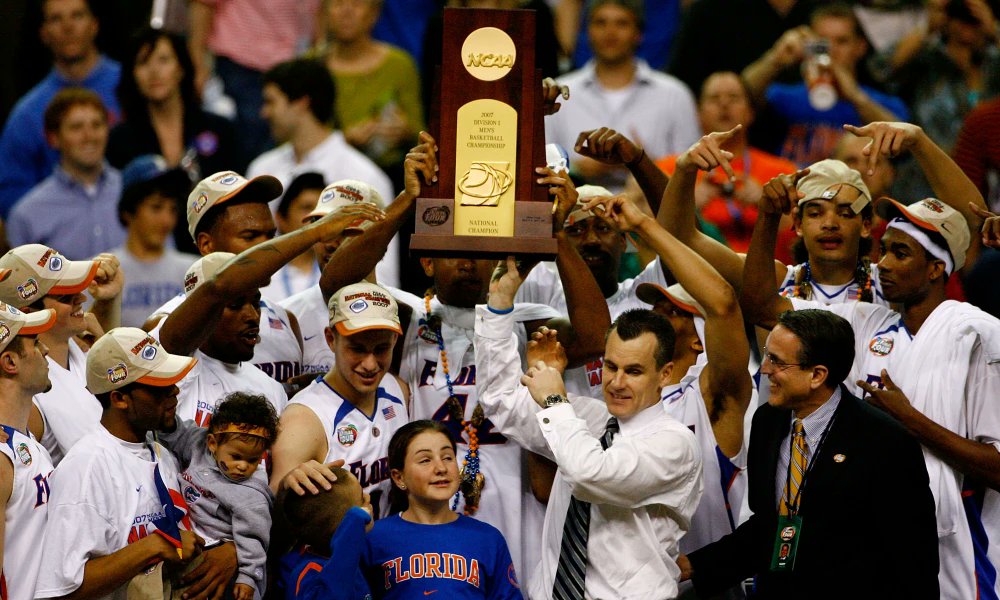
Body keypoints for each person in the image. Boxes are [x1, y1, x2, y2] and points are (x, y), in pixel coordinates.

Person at [320, 132, 611, 581]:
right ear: (428, 262)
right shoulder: (405, 315)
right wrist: (406, 202)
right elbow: (337, 285)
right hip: (425, 498)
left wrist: (557, 234)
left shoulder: (525, 318)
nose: (468, 262)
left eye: (478, 250)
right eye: (453, 250)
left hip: (516, 497)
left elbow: (595, 338)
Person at [739, 124, 998, 599]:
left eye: (899, 253)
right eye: (886, 251)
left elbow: (967, 219)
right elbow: (760, 306)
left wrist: (919, 141)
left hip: (956, 524)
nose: (883, 263)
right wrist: (765, 217)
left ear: (938, 268)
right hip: (850, 517)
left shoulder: (973, 330)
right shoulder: (866, 321)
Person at [476, 266, 702, 599]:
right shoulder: (585, 417)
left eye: (634, 371)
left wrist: (554, 400)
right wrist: (499, 303)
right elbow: (501, 402)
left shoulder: (675, 443)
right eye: (611, 366)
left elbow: (589, 475)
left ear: (665, 374)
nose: (617, 382)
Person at [681, 310, 939, 599]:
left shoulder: (884, 442)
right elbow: (770, 527)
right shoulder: (767, 421)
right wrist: (694, 565)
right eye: (767, 355)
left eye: (777, 361)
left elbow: (914, 560)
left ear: (817, 375)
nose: (764, 369)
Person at [35, 327, 203, 600]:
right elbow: (64, 591)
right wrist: (156, 545)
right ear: (120, 398)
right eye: (159, 386)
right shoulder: (87, 466)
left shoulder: (161, 453)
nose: (174, 391)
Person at [246, 58, 398, 287]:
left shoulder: (365, 176)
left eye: (271, 102)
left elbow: (384, 273)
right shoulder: (261, 169)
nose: (264, 113)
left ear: (301, 103)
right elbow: (249, 255)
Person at [144, 170, 305, 385]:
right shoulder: (164, 323)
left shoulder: (286, 320)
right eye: (250, 236)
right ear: (206, 245)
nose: (268, 247)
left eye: (270, 236)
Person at [270, 281, 410, 520]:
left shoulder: (397, 390)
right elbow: (274, 514)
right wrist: (287, 488)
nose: (370, 364)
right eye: (357, 349)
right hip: (331, 555)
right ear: (331, 339)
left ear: (395, 342)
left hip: (389, 550)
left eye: (381, 349)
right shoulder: (303, 420)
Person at [544, 0, 700, 192]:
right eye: (601, 23)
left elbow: (692, 174)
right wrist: (577, 168)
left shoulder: (675, 94)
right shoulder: (560, 91)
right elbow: (541, 165)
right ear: (586, 31)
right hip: (573, 209)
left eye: (622, 23)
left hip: (652, 213)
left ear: (639, 34)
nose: (610, 32)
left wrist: (642, 163)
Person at [356, 420, 523, 598]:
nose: (441, 468)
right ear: (399, 478)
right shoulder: (373, 537)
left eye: (447, 457)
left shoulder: (488, 539)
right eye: (425, 460)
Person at [655, 71, 799, 261]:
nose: (724, 104)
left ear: (750, 112)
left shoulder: (783, 171)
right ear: (698, 114)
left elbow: (800, 235)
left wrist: (770, 207)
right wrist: (686, 204)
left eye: (734, 97)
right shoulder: (672, 169)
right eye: (714, 98)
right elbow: (646, 235)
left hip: (767, 273)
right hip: (692, 272)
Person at [741, 3, 909, 166]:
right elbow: (738, 95)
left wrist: (855, 97)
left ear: (860, 47)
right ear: (808, 46)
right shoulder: (786, 96)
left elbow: (904, 145)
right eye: (822, 42)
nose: (831, 50)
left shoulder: (882, 102)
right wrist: (775, 59)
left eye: (841, 41)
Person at [0, 244, 122, 465]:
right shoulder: (27, 387)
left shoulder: (83, 346)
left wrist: (108, 301)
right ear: (28, 313)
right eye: (66, 296)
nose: (82, 298)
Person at [0, 0, 121, 216]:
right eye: (56, 19)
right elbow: (11, 194)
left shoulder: (133, 87)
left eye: (77, 16)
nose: (68, 27)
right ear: (43, 33)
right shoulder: (27, 114)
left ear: (95, 25)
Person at [159, 392, 279, 600]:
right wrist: (168, 426)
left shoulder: (251, 494)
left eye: (253, 460)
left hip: (225, 558)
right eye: (236, 457)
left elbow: (254, 540)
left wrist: (248, 577)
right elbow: (180, 433)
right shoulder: (199, 445)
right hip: (189, 542)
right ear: (213, 443)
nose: (242, 466)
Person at [280, 178, 397, 375]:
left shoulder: (413, 316)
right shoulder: (287, 317)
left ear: (379, 239)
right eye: (322, 229)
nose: (330, 243)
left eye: (346, 230)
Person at [187, 0, 320, 165]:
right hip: (240, 64)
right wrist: (197, 64)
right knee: (245, 149)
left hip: (292, 67)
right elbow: (204, 4)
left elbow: (318, 13)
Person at [107, 29, 237, 184]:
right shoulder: (119, 140)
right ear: (132, 74)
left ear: (181, 69)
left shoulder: (220, 129)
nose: (154, 71)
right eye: (143, 62)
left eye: (163, 60)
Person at [7, 89, 126, 260]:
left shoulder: (134, 191)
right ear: (53, 138)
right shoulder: (26, 215)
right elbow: (19, 285)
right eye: (76, 127)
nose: (89, 136)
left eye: (97, 125)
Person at [319, 0, 424, 187]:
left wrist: (405, 131)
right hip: (324, 177)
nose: (347, 12)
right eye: (337, 4)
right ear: (324, 13)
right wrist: (344, 140)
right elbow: (293, 137)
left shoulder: (400, 65)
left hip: (390, 175)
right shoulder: (311, 65)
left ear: (374, 13)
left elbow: (422, 134)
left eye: (357, 4)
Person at [0, 302, 58, 600]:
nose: (46, 351)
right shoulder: (1, 459)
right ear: (10, 362)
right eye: (35, 343)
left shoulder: (28, 441)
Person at [111, 155, 198, 327]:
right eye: (156, 207)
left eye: (173, 209)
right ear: (129, 211)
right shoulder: (103, 273)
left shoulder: (193, 271)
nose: (167, 220)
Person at [276, 468, 375, 600]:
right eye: (362, 498)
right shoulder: (310, 572)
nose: (368, 497)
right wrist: (355, 523)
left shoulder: (351, 554)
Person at [260, 172, 325, 303]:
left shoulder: (338, 272)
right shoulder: (261, 276)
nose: (317, 216)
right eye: (307, 208)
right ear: (280, 219)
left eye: (322, 208)